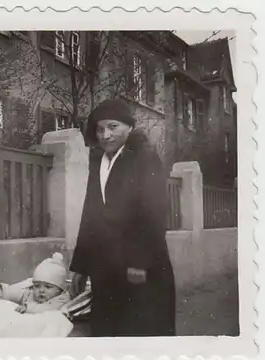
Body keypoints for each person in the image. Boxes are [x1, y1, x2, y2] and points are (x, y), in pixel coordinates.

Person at [70, 98, 176, 337]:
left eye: (112, 127)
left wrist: (139, 262)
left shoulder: (144, 157)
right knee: (109, 334)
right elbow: (91, 216)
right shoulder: (98, 162)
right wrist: (82, 266)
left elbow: (154, 212)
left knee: (142, 333)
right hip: (105, 268)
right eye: (99, 128)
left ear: (129, 127)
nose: (105, 135)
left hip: (140, 267)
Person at [0, 253, 71, 314]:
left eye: (47, 287)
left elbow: (47, 308)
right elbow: (19, 292)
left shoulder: (62, 299)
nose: (41, 290)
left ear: (59, 289)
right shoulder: (31, 292)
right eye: (37, 286)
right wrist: (4, 292)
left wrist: (27, 308)